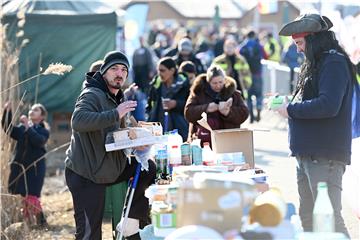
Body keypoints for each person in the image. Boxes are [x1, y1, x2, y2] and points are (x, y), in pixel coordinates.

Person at [276, 14, 357, 236]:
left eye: (300, 43)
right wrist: (287, 103)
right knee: (309, 219)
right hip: (308, 154)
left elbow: (329, 105)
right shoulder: (320, 61)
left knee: (329, 220)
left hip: (324, 155)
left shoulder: (334, 62)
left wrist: (290, 110)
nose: (298, 50)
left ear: (313, 39)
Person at [65, 51, 156, 240]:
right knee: (89, 234)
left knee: (147, 168)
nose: (119, 73)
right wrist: (115, 113)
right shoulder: (92, 94)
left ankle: (130, 226)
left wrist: (136, 142)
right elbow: (78, 121)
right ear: (103, 72)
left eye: (123, 69)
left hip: (109, 168)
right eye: (114, 68)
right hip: (86, 174)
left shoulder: (115, 96)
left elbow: (114, 134)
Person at [2, 102, 49, 226]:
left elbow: (38, 142)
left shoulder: (44, 131)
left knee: (32, 196)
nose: (32, 111)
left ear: (42, 116)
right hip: (20, 168)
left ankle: (41, 222)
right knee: (23, 195)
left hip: (35, 169)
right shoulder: (22, 128)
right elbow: (8, 129)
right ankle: (27, 223)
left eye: (36, 110)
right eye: (31, 109)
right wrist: (7, 112)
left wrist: (28, 126)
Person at [184, 65, 249, 147]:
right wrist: (207, 108)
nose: (218, 86)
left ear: (224, 80)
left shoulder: (233, 93)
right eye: (214, 83)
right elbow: (188, 113)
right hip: (202, 140)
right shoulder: (198, 92)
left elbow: (244, 113)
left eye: (220, 82)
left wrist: (228, 112)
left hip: (228, 140)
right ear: (208, 82)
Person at [146, 57, 190, 141]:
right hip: (159, 132)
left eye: (162, 70)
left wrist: (176, 104)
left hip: (180, 132)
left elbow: (191, 105)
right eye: (158, 70)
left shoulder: (184, 85)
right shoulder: (156, 85)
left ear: (172, 70)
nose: (159, 73)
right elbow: (149, 106)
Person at [240, 31, 267, 123]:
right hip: (257, 74)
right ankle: (259, 111)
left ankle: (251, 116)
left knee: (249, 96)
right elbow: (266, 56)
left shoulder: (242, 46)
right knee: (259, 95)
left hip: (246, 75)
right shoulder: (258, 45)